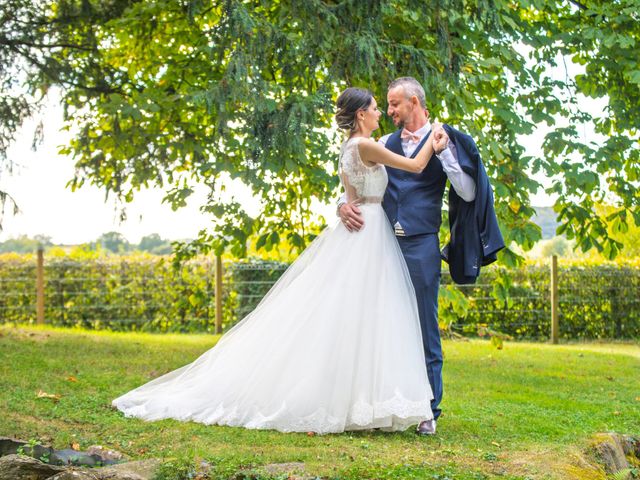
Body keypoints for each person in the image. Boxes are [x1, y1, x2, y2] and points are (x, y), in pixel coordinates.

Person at [112, 87, 451, 434]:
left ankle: (362, 401)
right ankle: (361, 402)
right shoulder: (365, 145)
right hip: (369, 233)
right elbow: (416, 165)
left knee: (357, 319)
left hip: (362, 229)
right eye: (377, 108)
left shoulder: (349, 148)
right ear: (361, 115)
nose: (381, 113)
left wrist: (342, 206)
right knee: (367, 317)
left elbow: (352, 196)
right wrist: (437, 131)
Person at [338, 77, 481, 436]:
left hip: (420, 245)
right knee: (378, 324)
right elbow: (354, 182)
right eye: (384, 105)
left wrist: (444, 151)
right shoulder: (381, 142)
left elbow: (466, 191)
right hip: (379, 243)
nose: (388, 112)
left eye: (394, 105)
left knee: (423, 325)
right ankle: (380, 403)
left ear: (414, 102)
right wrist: (342, 205)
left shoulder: (444, 140)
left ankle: (428, 410)